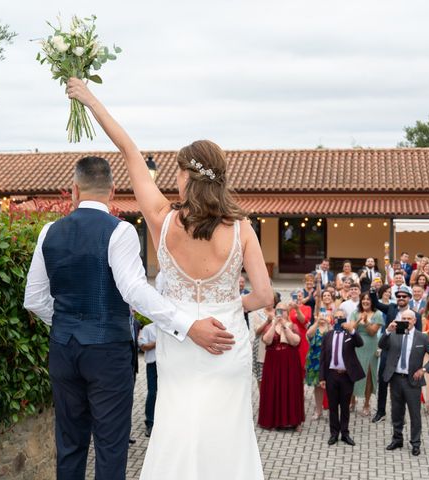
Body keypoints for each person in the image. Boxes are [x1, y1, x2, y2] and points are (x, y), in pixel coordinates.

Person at [67, 78, 273, 479]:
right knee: (228, 434)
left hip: (181, 344)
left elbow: (128, 150)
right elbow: (264, 294)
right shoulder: (242, 228)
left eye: (178, 172)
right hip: (227, 340)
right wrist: (231, 305)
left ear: (186, 176)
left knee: (177, 428)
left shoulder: (163, 220)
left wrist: (89, 98)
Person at [23, 156, 233, 480]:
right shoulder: (119, 231)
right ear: (113, 191)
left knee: (69, 443)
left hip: (63, 349)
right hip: (108, 352)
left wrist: (68, 323)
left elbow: (34, 299)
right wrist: (187, 325)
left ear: (74, 190)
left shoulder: (49, 231)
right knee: (110, 446)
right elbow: (134, 290)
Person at [380, 309, 429, 456]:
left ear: (414, 321)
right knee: (396, 412)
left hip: (412, 381)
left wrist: (424, 369)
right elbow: (382, 345)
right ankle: (397, 439)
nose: (406, 321)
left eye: (409, 318)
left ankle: (415, 443)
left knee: (415, 414)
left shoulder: (422, 337)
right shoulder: (394, 333)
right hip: (395, 378)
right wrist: (388, 331)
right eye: (404, 318)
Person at [370, 285, 422, 423]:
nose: (400, 298)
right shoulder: (391, 308)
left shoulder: (416, 316)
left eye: (404, 296)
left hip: (406, 352)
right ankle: (381, 412)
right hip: (389, 350)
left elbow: (419, 336)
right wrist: (372, 290)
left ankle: (400, 414)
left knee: (402, 385)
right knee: (383, 381)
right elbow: (375, 303)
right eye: (398, 296)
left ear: (409, 298)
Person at [319, 309, 364, 446]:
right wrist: (322, 377)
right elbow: (323, 358)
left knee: (345, 407)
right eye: (337, 317)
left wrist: (352, 330)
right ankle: (334, 433)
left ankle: (345, 433)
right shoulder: (328, 335)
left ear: (346, 319)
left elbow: (360, 343)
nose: (339, 319)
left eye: (342, 317)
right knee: (333, 407)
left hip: (346, 375)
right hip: (331, 375)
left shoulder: (349, 334)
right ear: (333, 320)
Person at [258, 302, 305, 431]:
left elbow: (295, 341)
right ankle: (272, 420)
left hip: (290, 361)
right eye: (278, 310)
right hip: (273, 361)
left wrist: (285, 326)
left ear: (287, 312)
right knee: (273, 388)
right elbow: (266, 340)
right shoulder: (270, 326)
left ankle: (294, 421)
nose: (280, 313)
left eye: (283, 310)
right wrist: (273, 324)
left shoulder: (292, 325)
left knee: (291, 389)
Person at [350, 293, 384, 416]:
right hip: (356, 347)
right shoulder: (355, 313)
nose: (365, 301)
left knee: (368, 375)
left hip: (370, 346)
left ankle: (367, 404)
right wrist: (359, 319)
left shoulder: (378, 314)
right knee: (354, 374)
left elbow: (372, 332)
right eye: (363, 299)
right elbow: (351, 329)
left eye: (368, 299)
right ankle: (352, 401)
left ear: (372, 301)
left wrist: (366, 323)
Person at [306, 309, 331, 420]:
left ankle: (332, 410)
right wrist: (316, 322)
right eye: (321, 315)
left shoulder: (330, 328)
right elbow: (308, 334)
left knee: (331, 386)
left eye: (325, 315)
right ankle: (318, 410)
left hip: (329, 361)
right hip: (315, 361)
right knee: (317, 386)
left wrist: (328, 323)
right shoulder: (314, 327)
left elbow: (334, 336)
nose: (323, 317)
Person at [250, 295, 278, 390]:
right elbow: (257, 331)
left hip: (276, 349)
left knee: (275, 377)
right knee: (261, 378)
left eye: (272, 300)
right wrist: (267, 322)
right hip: (262, 349)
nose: (270, 303)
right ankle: (263, 401)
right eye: (268, 300)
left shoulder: (278, 312)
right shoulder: (257, 313)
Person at [138, 322, 158, 437]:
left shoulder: (169, 327)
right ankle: (150, 423)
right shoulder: (148, 328)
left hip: (167, 364)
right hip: (152, 364)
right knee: (152, 393)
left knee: (167, 393)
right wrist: (159, 342)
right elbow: (143, 346)